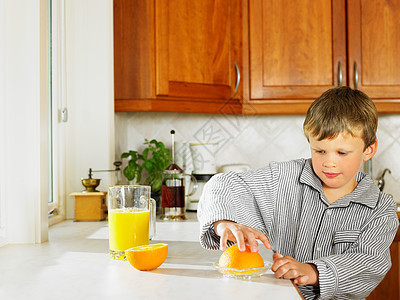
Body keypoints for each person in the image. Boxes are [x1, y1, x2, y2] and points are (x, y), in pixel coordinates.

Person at [197, 86, 399, 299]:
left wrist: (313, 271)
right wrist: (224, 222)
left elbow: (369, 262)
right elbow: (224, 183)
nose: (329, 162)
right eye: (319, 150)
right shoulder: (283, 177)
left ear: (369, 150)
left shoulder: (380, 209)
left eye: (342, 152)